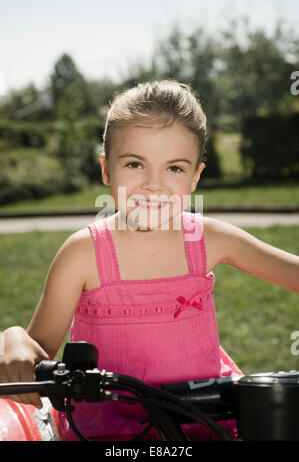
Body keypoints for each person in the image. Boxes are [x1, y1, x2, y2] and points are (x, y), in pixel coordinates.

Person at [0, 80, 298, 441]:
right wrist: (13, 337)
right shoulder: (83, 254)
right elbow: (35, 360)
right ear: (106, 169)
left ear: (194, 178)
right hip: (105, 437)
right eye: (135, 163)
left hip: (203, 425)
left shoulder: (208, 239)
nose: (154, 185)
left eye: (174, 168)